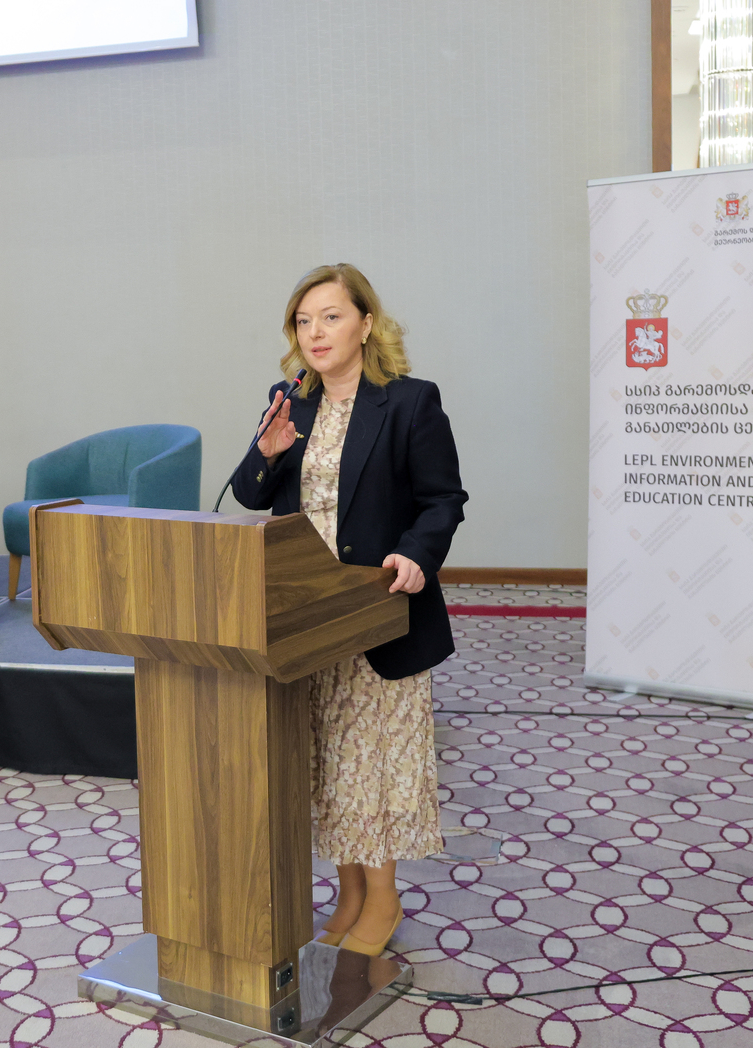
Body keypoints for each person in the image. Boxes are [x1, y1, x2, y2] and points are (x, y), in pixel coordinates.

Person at [231, 264, 467, 958]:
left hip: (376, 610)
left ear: (365, 323)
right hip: (307, 616)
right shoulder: (290, 401)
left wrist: (416, 555)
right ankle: (349, 895)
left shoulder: (410, 402)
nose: (316, 332)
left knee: (373, 762)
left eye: (331, 316)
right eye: (304, 321)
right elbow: (249, 495)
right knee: (330, 761)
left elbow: (442, 500)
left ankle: (383, 898)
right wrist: (266, 453)